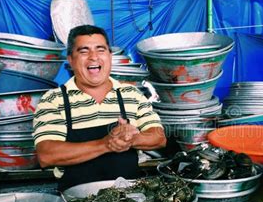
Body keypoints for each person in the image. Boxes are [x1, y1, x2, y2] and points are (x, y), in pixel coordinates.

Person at [33, 25, 166, 191]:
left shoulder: (131, 94)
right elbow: (46, 155)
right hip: (77, 201)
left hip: (130, 200)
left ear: (110, 56)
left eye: (100, 49)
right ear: (70, 59)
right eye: (83, 51)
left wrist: (130, 139)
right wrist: (106, 144)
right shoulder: (53, 100)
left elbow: (158, 137)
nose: (93, 57)